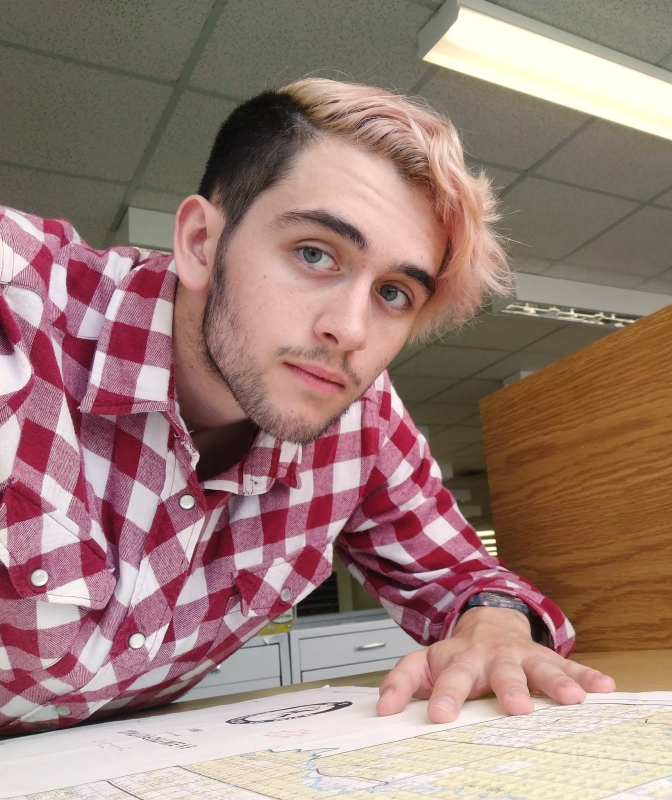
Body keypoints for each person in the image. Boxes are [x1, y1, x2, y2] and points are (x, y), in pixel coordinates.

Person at [0, 78, 614, 734]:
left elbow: (465, 575)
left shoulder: (361, 422)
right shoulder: (21, 307)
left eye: (395, 293)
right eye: (316, 254)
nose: (349, 331)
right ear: (201, 243)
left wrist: (493, 626)